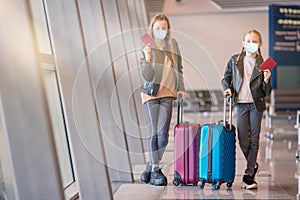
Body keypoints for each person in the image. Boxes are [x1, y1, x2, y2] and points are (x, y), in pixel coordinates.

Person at [221, 29, 272, 190]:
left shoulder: (266, 63)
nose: (251, 44)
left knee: (255, 139)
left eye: (255, 41)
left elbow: (267, 91)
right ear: (243, 43)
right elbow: (226, 79)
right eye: (248, 41)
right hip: (240, 103)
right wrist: (227, 89)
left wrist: (266, 80)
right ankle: (253, 164)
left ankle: (249, 175)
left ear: (260, 44)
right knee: (243, 140)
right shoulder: (234, 60)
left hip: (256, 104)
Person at [140, 13, 186, 186]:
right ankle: (156, 169)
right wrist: (148, 58)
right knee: (154, 132)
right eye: (157, 28)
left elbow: (179, 67)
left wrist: (181, 88)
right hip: (151, 94)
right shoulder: (147, 45)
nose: (161, 31)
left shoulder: (173, 45)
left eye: (163, 28)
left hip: (168, 92)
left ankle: (150, 165)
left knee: (163, 135)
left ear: (168, 30)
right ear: (152, 29)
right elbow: (147, 75)